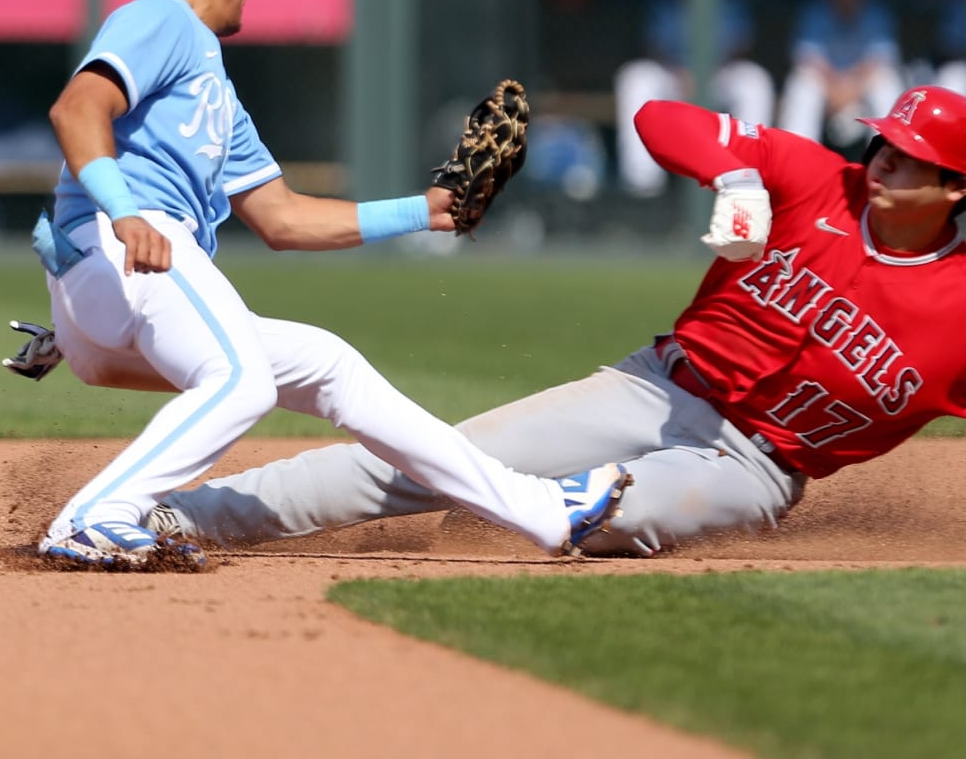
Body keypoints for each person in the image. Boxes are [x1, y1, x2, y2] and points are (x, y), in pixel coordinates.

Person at [19, 0, 630, 568]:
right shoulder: (163, 18)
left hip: (117, 286)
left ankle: (545, 512)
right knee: (241, 380)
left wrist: (426, 212)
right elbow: (76, 109)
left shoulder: (215, 92)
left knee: (331, 366)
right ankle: (96, 515)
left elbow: (282, 217)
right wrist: (125, 213)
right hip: (126, 249)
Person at [144, 85, 966, 558]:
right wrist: (738, 175)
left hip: (751, 468)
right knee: (418, 460)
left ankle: (511, 525)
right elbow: (659, 118)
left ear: (955, 186)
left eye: (907, 155)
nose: (882, 159)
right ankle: (170, 518)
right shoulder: (819, 179)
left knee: (604, 513)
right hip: (652, 390)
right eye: (883, 143)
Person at [614, 0, 774, 196]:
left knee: (754, 81)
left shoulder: (730, 1)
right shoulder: (664, 3)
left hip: (719, 74)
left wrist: (706, 71)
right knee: (637, 77)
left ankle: (747, 178)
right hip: (673, 76)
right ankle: (643, 183)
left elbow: (742, 46)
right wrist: (681, 71)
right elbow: (652, 46)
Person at [777, 0, 904, 147]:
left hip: (861, 84)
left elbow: (880, 59)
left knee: (886, 82)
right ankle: (797, 155)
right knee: (802, 84)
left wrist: (850, 90)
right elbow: (807, 57)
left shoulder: (876, 12)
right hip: (826, 84)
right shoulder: (816, 11)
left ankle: (886, 154)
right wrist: (835, 89)